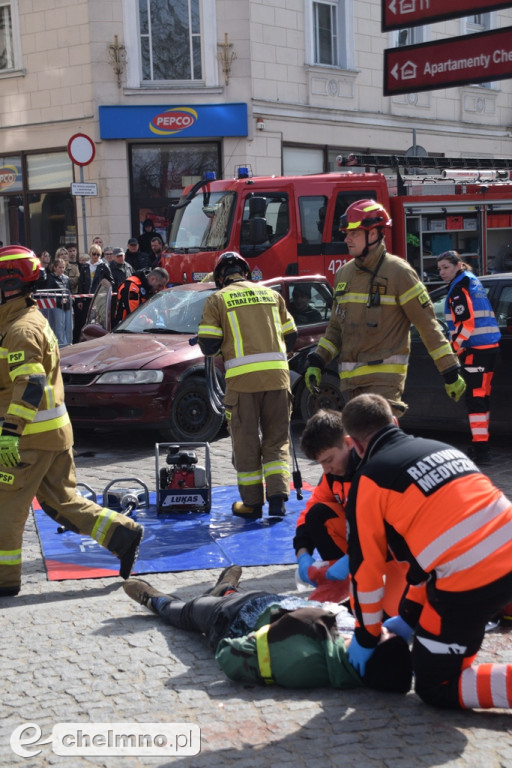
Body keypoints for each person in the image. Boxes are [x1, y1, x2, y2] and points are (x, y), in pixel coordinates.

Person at [340, 392, 512, 711]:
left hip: (473, 581)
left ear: (355, 444)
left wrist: (366, 636)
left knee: (436, 684)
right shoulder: (441, 449)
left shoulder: (369, 482)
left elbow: (366, 572)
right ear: (395, 422)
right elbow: (428, 559)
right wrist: (407, 616)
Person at [0, 245, 143, 597]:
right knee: (62, 502)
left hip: (28, 438)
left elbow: (31, 385)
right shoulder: (22, 320)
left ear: (9, 284)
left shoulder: (21, 330)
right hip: (51, 434)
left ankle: (4, 580)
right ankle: (122, 534)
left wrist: (9, 433)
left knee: (4, 507)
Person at [122, 566, 412, 693]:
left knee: (185, 611)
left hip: (229, 620)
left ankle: (154, 599)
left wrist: (276, 627)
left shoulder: (305, 660)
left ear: (371, 657)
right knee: (228, 595)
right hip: (264, 600)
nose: (377, 629)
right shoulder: (351, 644)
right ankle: (226, 589)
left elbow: (229, 655)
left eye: (383, 635)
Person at [305, 199, 465, 417]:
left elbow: (428, 325)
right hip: (350, 386)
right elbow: (336, 327)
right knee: (360, 449)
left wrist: (450, 370)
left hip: (384, 385)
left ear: (373, 234)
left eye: (354, 233)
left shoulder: (399, 272)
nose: (346, 238)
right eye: (346, 233)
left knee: (376, 444)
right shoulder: (344, 274)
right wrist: (318, 359)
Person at [198, 251, 297, 519]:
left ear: (220, 277)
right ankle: (278, 503)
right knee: (277, 441)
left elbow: (208, 344)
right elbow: (292, 335)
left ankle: (253, 505)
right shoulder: (272, 295)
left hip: (242, 384)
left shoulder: (217, 299)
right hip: (278, 379)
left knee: (246, 443)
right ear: (246, 272)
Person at [295, 409, 408, 615]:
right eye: (321, 463)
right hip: (366, 545)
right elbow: (310, 511)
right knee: (318, 514)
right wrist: (303, 554)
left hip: (401, 552)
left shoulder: (377, 469)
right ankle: (343, 584)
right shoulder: (333, 475)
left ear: (348, 443)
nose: (326, 469)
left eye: (328, 460)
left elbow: (395, 531)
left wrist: (353, 558)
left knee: (392, 614)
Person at [437, 250, 501, 465]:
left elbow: (466, 324)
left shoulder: (459, 287)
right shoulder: (472, 281)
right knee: (482, 398)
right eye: (439, 269)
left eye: (446, 267)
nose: (442, 272)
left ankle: (482, 450)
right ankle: (480, 444)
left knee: (475, 400)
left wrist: (453, 349)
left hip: (476, 351)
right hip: (489, 348)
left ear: (458, 266)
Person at [46, 257, 73, 346]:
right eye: (60, 267)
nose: (62, 269)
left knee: (69, 327)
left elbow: (70, 291)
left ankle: (69, 344)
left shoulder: (66, 278)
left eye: (63, 267)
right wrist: (59, 301)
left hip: (67, 305)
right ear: (55, 268)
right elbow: (50, 293)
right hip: (58, 306)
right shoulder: (51, 278)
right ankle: (62, 346)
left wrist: (70, 299)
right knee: (60, 328)